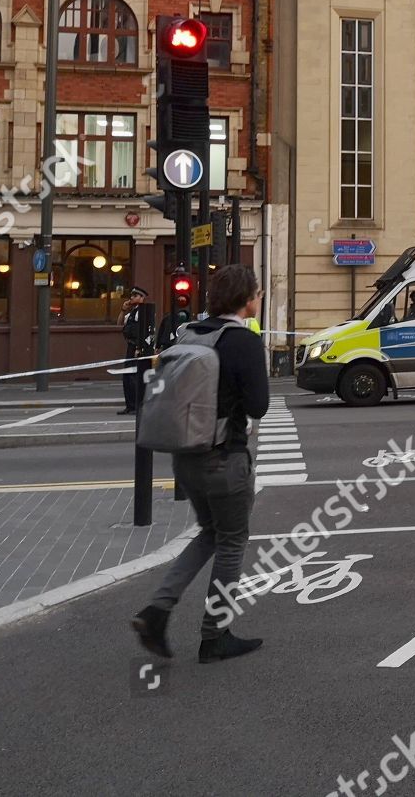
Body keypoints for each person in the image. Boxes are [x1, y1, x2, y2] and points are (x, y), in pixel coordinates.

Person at [131, 264, 270, 664]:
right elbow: (258, 404)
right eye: (257, 294)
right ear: (246, 300)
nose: (259, 299)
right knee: (231, 543)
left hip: (185, 456)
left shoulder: (190, 332)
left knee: (209, 533)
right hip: (225, 457)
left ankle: (156, 610)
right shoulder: (241, 341)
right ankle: (215, 636)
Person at [119, 287, 155, 415]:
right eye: (132, 295)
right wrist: (123, 310)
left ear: (141, 297)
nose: (132, 298)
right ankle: (130, 405)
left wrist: (139, 348)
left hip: (137, 348)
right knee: (127, 377)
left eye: (135, 296)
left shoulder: (143, 312)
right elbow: (120, 324)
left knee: (134, 377)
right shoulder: (132, 312)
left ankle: (136, 405)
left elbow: (145, 330)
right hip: (130, 347)